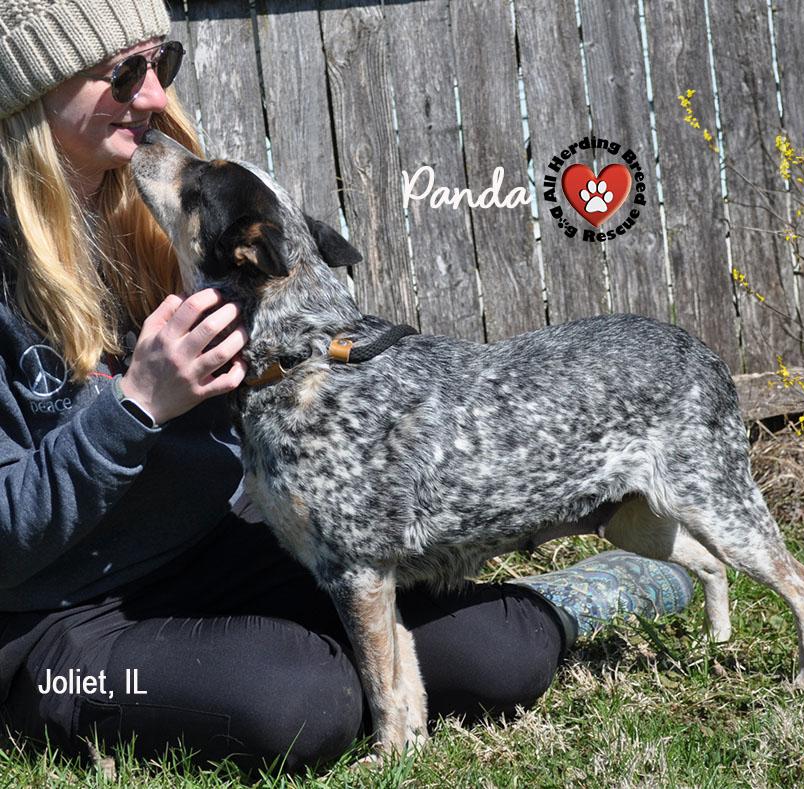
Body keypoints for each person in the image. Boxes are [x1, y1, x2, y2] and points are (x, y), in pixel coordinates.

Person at [0, 0, 693, 773]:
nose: (157, 96)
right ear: (34, 91)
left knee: (505, 650)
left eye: (162, 63)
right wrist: (134, 410)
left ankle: (594, 586)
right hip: (60, 625)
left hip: (217, 557)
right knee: (295, 705)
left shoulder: (171, 206)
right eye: (123, 73)